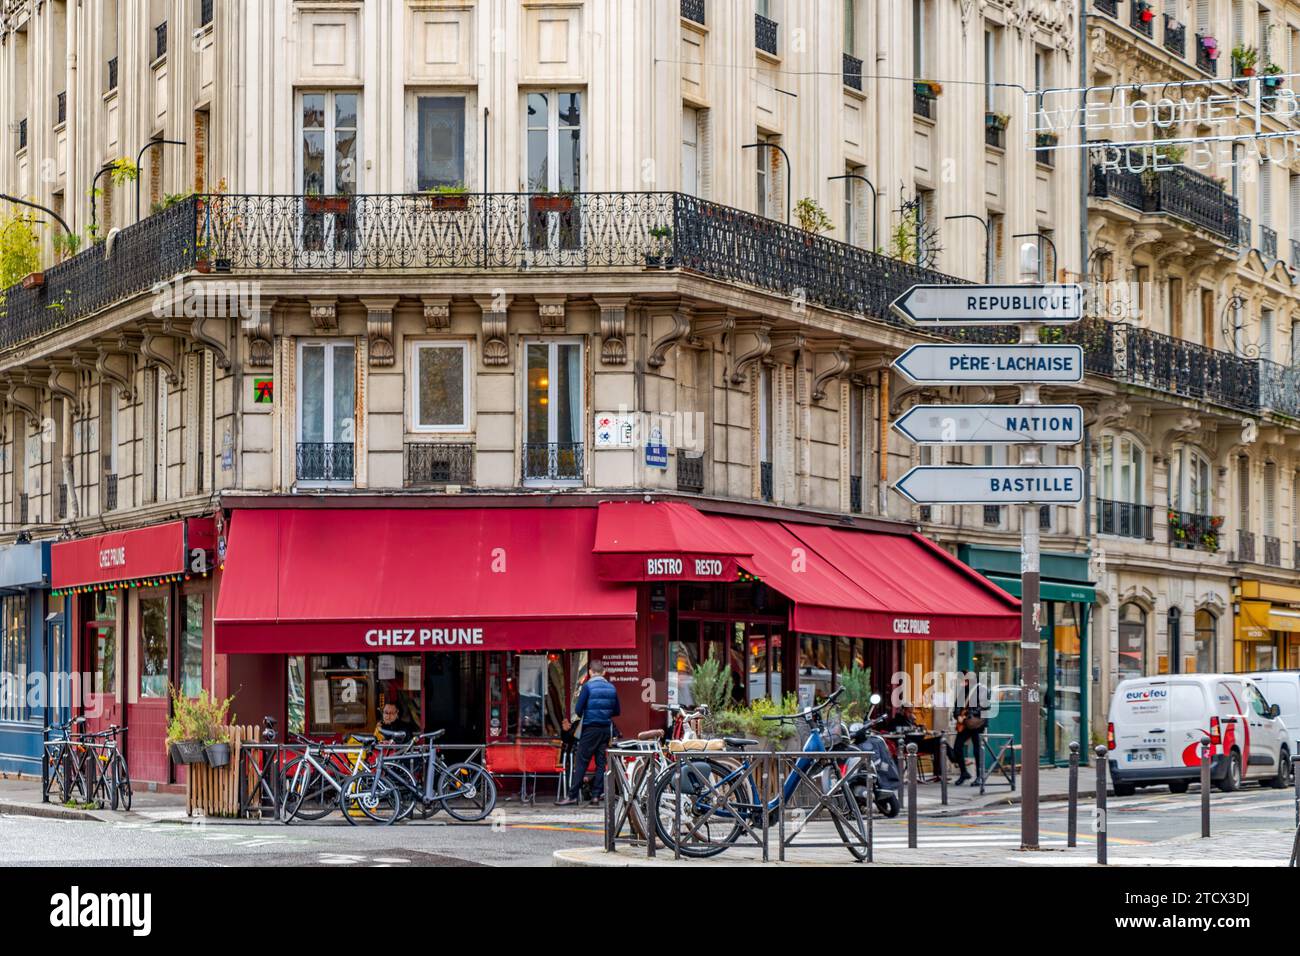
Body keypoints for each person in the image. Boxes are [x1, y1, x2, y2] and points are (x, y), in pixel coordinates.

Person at [556, 660, 620, 806]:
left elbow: (578, 711)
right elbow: (617, 711)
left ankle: (572, 796)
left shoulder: (587, 687)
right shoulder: (611, 688)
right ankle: (596, 796)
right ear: (604, 672)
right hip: (605, 729)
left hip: (590, 729)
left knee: (581, 762)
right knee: (601, 763)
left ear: (590, 672)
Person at [948, 681, 989, 786]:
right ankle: (964, 773)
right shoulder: (963, 691)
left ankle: (980, 776)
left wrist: (967, 714)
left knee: (977, 749)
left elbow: (984, 706)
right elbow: (957, 707)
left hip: (977, 724)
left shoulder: (981, 689)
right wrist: (958, 715)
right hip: (965, 725)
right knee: (957, 747)